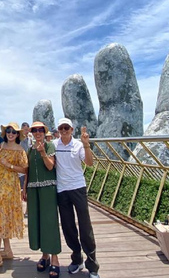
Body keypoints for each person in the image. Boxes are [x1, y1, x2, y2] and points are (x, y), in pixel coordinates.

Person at [53, 118, 100, 278]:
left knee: (85, 226)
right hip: (62, 190)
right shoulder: (54, 144)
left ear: (72, 130)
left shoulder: (79, 144)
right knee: (68, 226)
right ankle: (77, 259)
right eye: (61, 128)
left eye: (67, 128)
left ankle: (92, 265)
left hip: (78, 188)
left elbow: (90, 163)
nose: (64, 131)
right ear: (58, 130)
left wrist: (86, 144)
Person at [0, 122, 28, 271]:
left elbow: (25, 169)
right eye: (8, 131)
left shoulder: (20, 149)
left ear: (17, 135)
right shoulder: (1, 145)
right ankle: (7, 250)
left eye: (13, 132)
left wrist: (9, 165)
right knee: (2, 216)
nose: (10, 133)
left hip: (9, 186)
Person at [23, 121, 61, 277]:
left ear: (44, 132)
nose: (38, 132)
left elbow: (51, 166)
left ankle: (54, 259)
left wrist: (43, 153)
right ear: (31, 132)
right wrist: (24, 188)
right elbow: (28, 171)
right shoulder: (30, 150)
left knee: (49, 222)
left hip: (47, 189)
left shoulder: (49, 146)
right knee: (38, 222)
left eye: (40, 130)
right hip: (33, 190)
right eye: (35, 130)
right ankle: (44, 255)